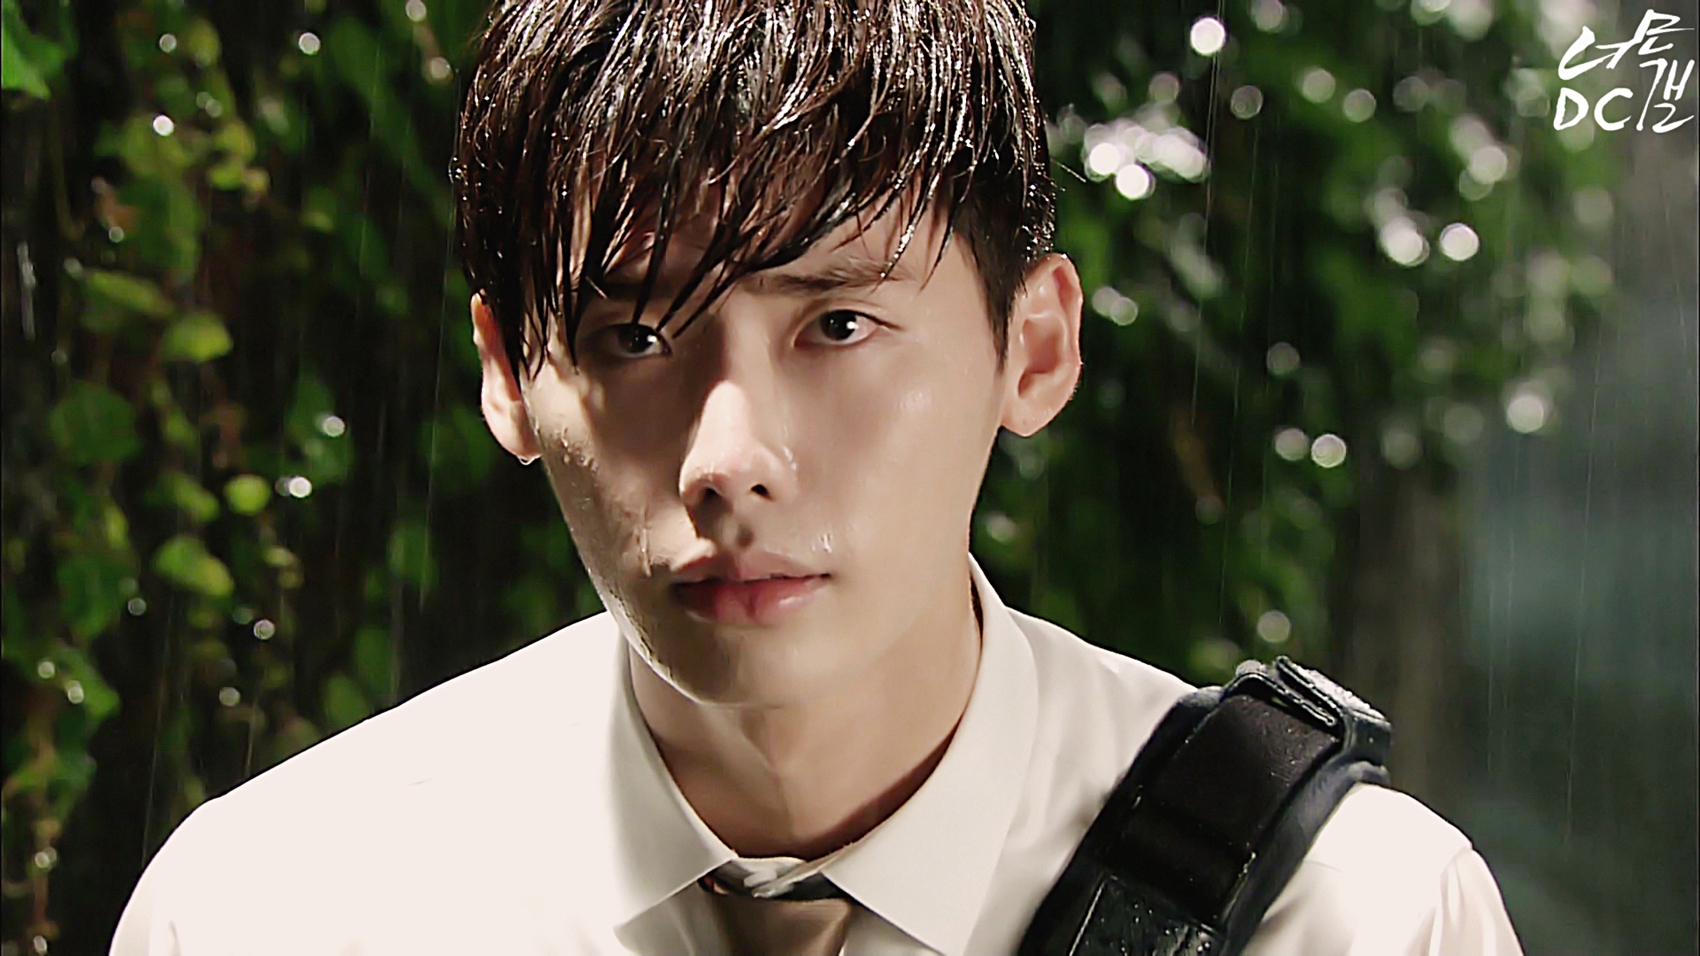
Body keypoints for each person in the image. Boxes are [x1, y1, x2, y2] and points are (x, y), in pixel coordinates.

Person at [111, 0, 1525, 953]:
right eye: (633, 337)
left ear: (1033, 347)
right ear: (506, 375)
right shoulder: (276, 911)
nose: (729, 461)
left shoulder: (1359, 920)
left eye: (838, 324)